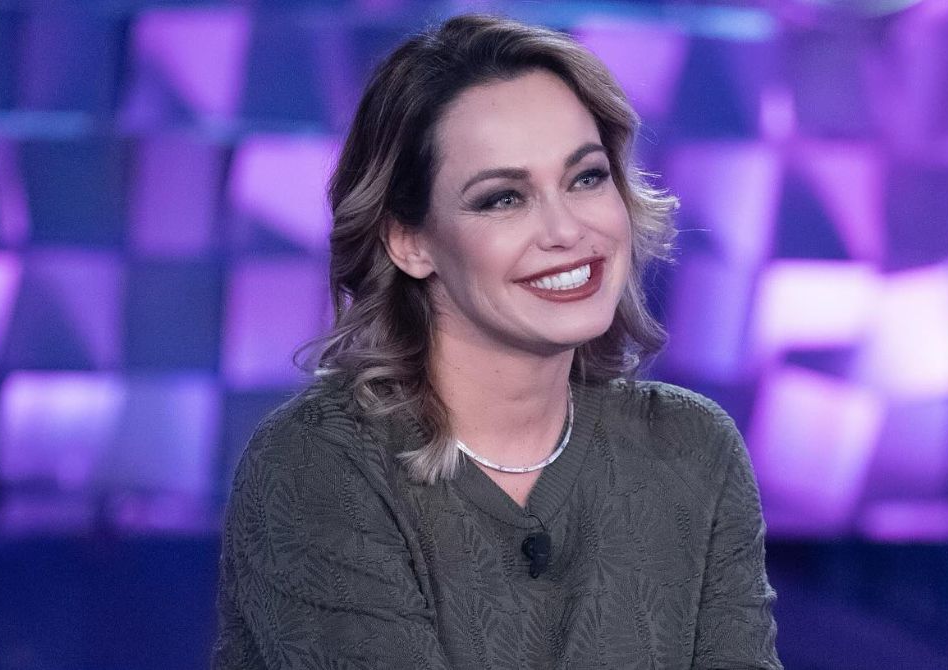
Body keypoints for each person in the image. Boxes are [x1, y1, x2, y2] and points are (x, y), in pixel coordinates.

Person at [212, 13, 781, 669]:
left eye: (586, 177)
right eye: (503, 198)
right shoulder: (320, 465)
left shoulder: (692, 448)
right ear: (409, 241)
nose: (566, 231)